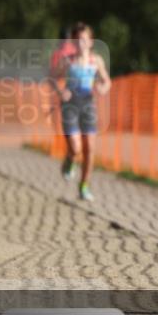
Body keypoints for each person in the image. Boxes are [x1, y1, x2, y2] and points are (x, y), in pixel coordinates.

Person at [51, 23, 111, 201]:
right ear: (73, 42)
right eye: (77, 40)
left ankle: (84, 186)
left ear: (91, 42)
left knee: (89, 148)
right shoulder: (67, 61)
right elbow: (52, 78)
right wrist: (61, 92)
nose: (81, 43)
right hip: (70, 105)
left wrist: (102, 88)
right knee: (76, 148)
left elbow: (107, 81)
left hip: (87, 104)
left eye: (84, 39)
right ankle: (70, 160)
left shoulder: (96, 61)